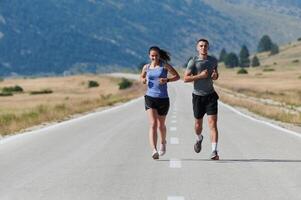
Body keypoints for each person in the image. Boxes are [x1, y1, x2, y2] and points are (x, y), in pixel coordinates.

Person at [140, 46, 180, 159]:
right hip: (150, 97)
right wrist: (143, 80)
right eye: (152, 56)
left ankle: (163, 142)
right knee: (153, 124)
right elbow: (142, 77)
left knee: (161, 125)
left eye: (156, 55)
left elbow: (177, 76)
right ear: (149, 56)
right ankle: (154, 150)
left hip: (163, 98)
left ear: (159, 55)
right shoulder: (146, 67)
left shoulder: (164, 66)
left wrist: (167, 80)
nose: (154, 57)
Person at [183, 38, 220, 160]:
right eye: (201, 46)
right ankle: (199, 138)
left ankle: (214, 151)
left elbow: (215, 74)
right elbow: (186, 78)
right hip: (198, 96)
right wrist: (200, 76)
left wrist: (215, 76)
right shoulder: (193, 62)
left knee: (213, 124)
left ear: (208, 47)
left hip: (211, 95)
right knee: (198, 124)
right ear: (197, 48)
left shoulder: (213, 60)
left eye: (205, 46)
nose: (203, 48)